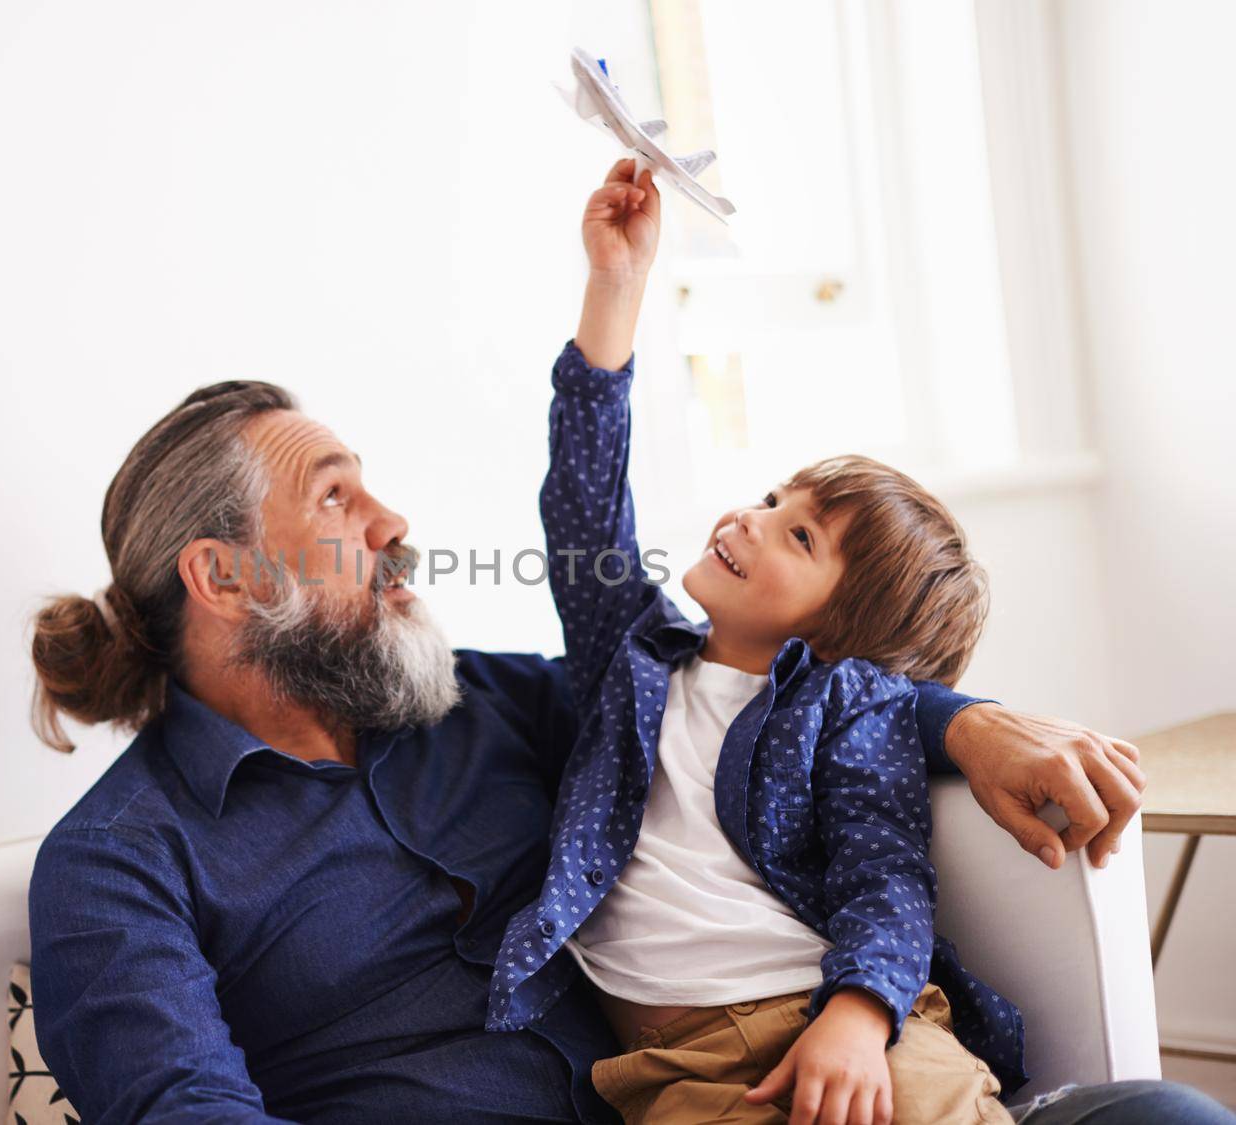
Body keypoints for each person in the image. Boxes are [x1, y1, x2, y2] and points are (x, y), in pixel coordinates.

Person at [22, 173, 1192, 1122]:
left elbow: (751, 696)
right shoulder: (119, 862)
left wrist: (968, 722)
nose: (394, 525)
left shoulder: (476, 705)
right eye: (336, 502)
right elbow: (183, 1108)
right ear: (222, 576)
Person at [484, 156, 1234, 1125]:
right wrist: (615, 286)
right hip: (679, 1068)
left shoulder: (847, 711)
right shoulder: (628, 660)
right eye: (770, 498)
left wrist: (857, 1010)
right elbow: (582, 505)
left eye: (796, 535)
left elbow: (884, 881)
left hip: (843, 1020)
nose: (751, 519)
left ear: (841, 636)